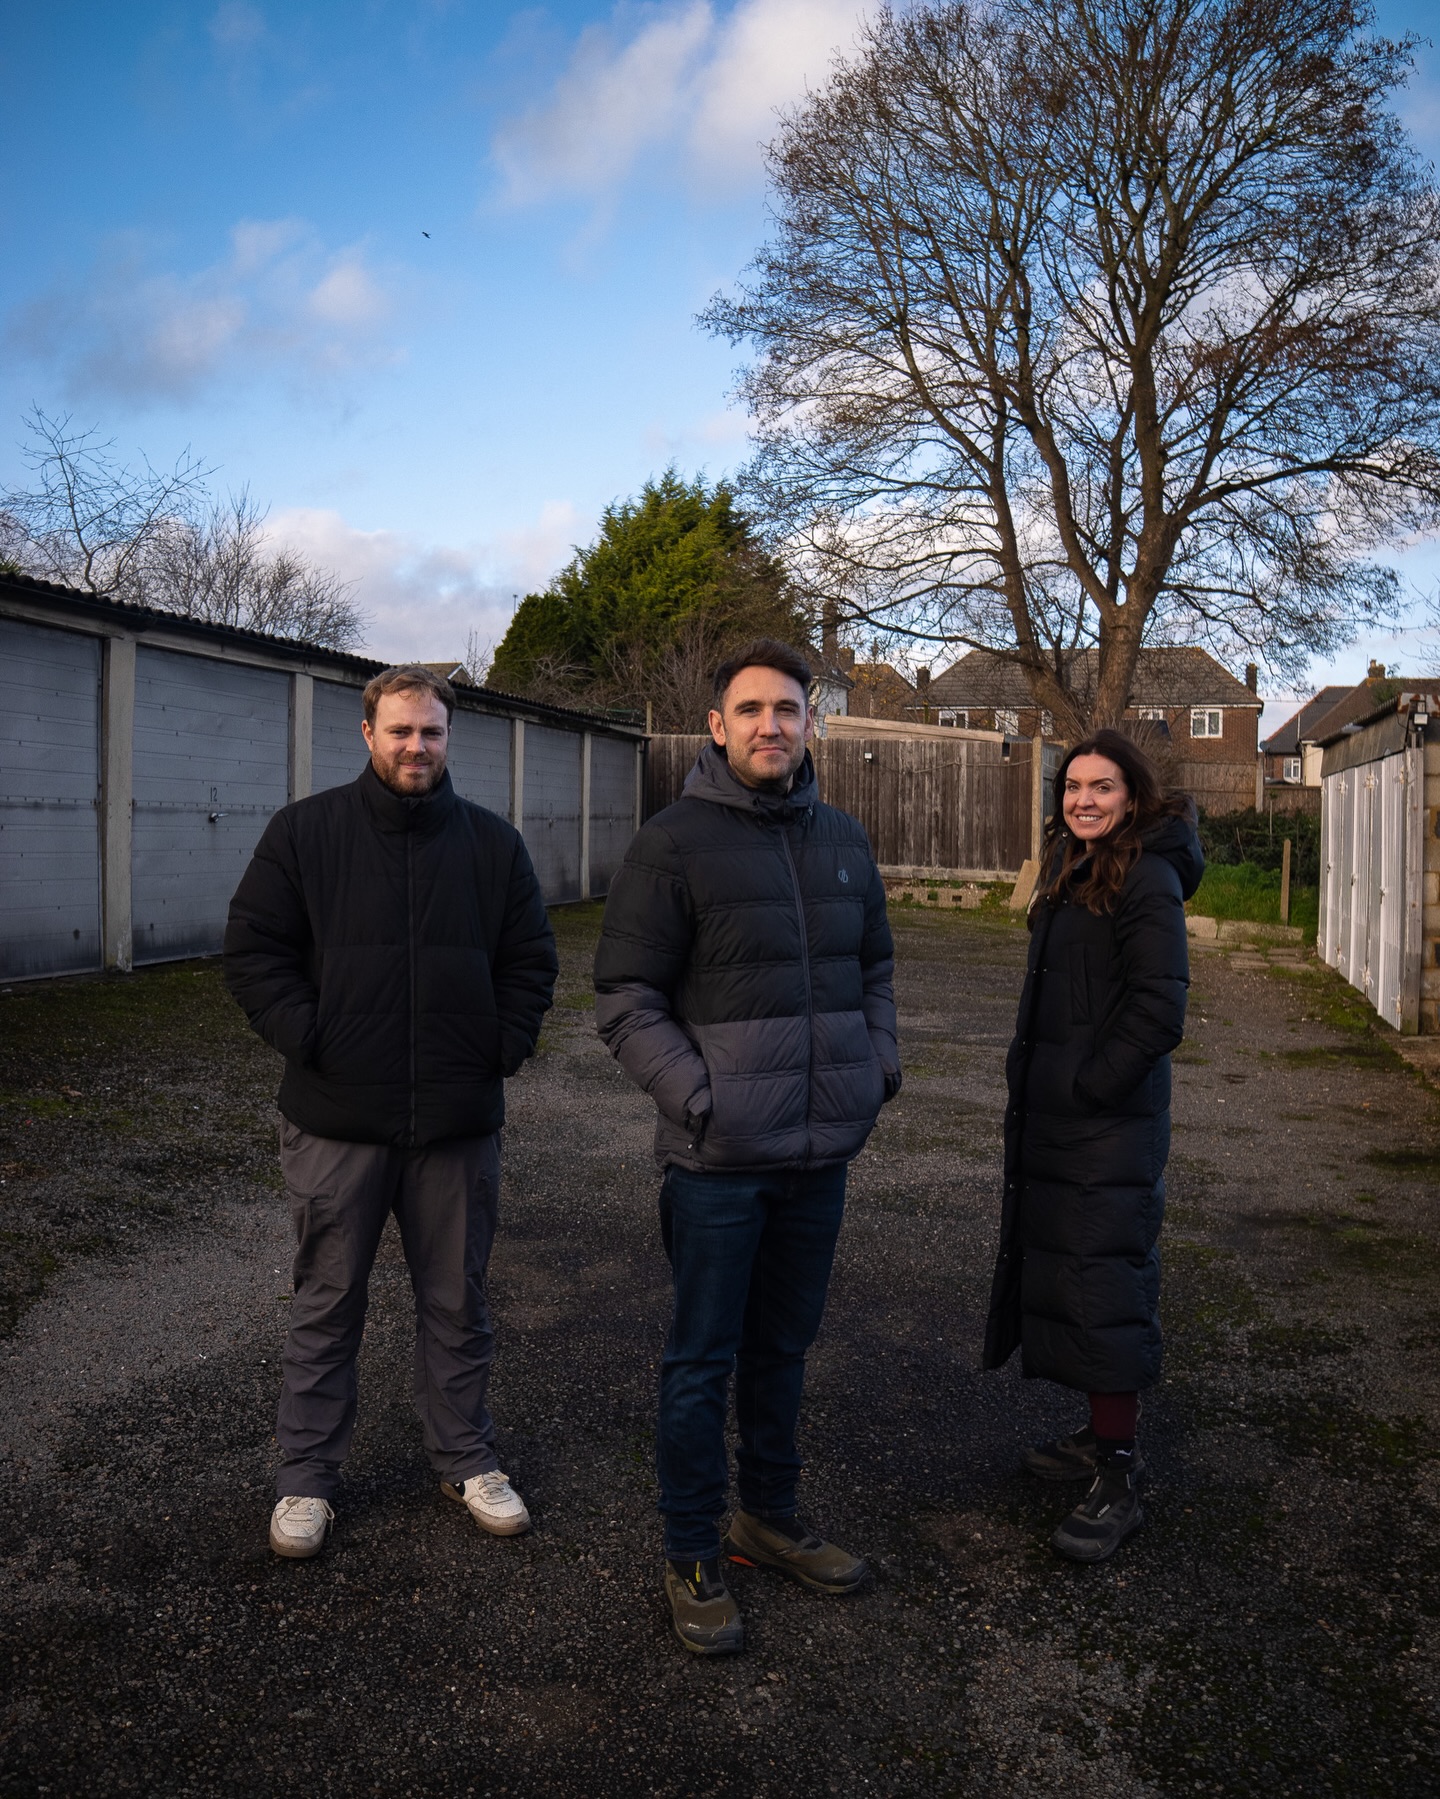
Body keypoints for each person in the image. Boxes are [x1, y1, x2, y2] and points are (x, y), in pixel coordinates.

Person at [594, 638, 900, 1655]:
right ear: (717, 725)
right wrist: (700, 1101)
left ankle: (768, 1516)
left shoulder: (844, 838)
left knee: (783, 1347)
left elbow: (875, 970)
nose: (773, 724)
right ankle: (691, 1548)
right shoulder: (673, 843)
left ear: (813, 723)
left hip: (819, 1156)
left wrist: (876, 1069)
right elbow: (625, 997)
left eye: (789, 708)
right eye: (753, 709)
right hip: (717, 1164)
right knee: (701, 1361)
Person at [224, 665, 557, 1560]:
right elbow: (254, 951)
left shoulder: (492, 845)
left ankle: (467, 1456)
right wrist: (313, 1037)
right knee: (327, 1301)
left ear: (449, 738)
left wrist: (499, 1045)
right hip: (336, 1119)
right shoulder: (306, 833)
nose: (417, 746)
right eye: (401, 730)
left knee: (458, 1299)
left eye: (432, 732)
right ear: (367, 732)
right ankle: (305, 1476)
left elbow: (530, 959)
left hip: (455, 1122)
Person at [982, 727, 1202, 1564]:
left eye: (1101, 786)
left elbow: (1158, 1009)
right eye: (1072, 787)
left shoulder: (1147, 877)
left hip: (1106, 1126)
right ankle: (1099, 1435)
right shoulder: (1075, 865)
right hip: (1064, 1120)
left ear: (1132, 795)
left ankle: (1119, 1475)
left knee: (1107, 1283)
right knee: (1074, 1277)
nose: (1083, 799)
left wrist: (1088, 1088)